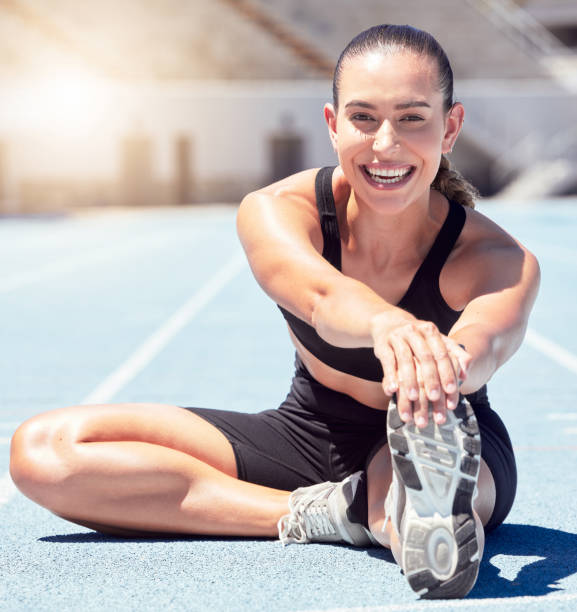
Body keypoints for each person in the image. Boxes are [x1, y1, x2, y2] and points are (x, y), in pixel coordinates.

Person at [9, 24, 539, 600]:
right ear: (334, 126)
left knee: (413, 474)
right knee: (45, 452)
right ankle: (335, 511)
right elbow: (318, 297)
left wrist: (442, 369)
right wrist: (388, 324)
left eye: (412, 117)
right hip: (306, 433)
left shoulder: (497, 258)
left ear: (450, 127)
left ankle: (407, 507)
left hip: (443, 437)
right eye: (363, 117)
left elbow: (485, 343)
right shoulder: (278, 212)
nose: (385, 144)